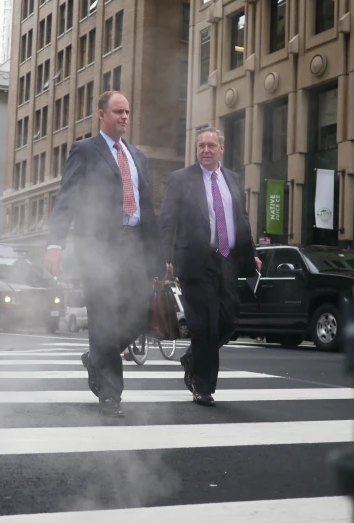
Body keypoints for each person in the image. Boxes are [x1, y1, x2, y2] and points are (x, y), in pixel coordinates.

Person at [45, 91, 161, 417]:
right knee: (106, 321)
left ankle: (96, 357)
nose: (125, 117)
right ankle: (111, 396)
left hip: (135, 248)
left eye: (127, 112)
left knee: (140, 315)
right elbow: (66, 199)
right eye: (118, 111)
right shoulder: (84, 151)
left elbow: (147, 210)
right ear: (101, 115)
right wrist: (55, 245)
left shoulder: (138, 156)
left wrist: (159, 257)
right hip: (99, 250)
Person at [158, 127, 262, 406]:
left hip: (226, 260)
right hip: (194, 261)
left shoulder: (232, 179)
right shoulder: (181, 179)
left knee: (229, 321)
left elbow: (241, 219)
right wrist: (163, 260)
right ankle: (203, 386)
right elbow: (167, 221)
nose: (205, 150)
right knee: (204, 326)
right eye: (201, 145)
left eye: (211, 145)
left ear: (221, 149)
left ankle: (193, 358)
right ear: (196, 149)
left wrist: (250, 254)